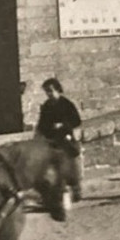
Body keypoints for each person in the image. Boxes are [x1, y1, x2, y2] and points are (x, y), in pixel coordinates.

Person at [36, 77, 83, 220]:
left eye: (51, 91)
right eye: (47, 92)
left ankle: (75, 189)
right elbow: (42, 124)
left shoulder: (67, 105)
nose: (49, 94)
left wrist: (63, 126)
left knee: (69, 165)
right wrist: (39, 136)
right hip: (52, 141)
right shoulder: (46, 106)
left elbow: (76, 122)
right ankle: (53, 198)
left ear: (58, 90)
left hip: (66, 139)